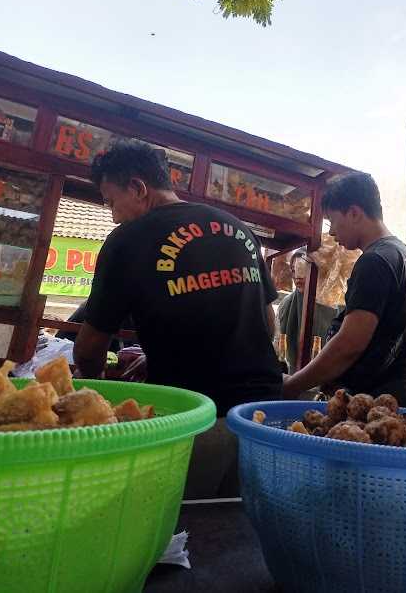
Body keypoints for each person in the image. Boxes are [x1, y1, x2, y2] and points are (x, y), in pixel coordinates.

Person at [73, 141, 281, 497]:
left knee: (181, 530)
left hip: (193, 419)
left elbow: (90, 347)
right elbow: (269, 324)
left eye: (111, 202)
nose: (113, 215)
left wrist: (97, 399)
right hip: (263, 419)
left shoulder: (126, 241)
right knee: (235, 527)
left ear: (138, 188)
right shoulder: (237, 227)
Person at [282, 172, 406, 403]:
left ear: (354, 213)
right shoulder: (401, 253)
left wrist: (292, 385)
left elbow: (349, 344)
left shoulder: (375, 261)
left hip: (370, 402)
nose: (331, 232)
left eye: (332, 221)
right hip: (390, 398)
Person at [277, 250, 334, 373]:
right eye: (293, 270)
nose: (297, 276)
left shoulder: (331, 304)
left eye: (302, 269)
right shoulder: (286, 304)